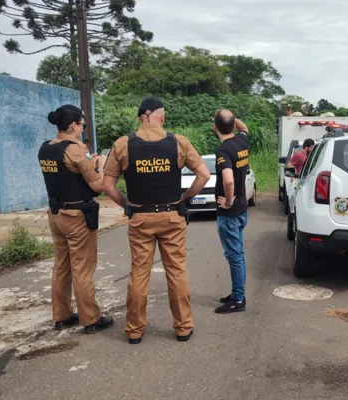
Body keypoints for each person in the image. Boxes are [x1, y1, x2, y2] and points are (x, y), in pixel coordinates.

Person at [101, 97, 210, 344]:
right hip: (172, 217)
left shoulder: (122, 145)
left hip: (140, 219)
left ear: (142, 116)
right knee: (176, 272)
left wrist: (126, 204)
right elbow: (203, 175)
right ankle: (183, 327)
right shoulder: (178, 142)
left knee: (139, 274)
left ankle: (134, 331)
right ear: (158, 117)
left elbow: (107, 185)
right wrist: (186, 197)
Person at [37, 104, 114, 334]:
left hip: (56, 214)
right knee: (82, 267)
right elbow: (98, 186)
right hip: (77, 217)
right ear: (73, 125)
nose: (82, 130)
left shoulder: (45, 149)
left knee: (61, 266)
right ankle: (90, 319)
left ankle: (61, 316)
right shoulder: (75, 151)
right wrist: (100, 164)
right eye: (82, 126)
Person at [212, 109, 251, 314]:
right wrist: (233, 119)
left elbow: (228, 179)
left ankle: (237, 299)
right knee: (239, 254)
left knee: (235, 256)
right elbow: (244, 128)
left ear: (215, 127)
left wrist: (227, 201)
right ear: (233, 125)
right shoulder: (242, 142)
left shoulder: (224, 150)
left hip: (230, 213)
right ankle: (238, 292)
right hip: (242, 209)